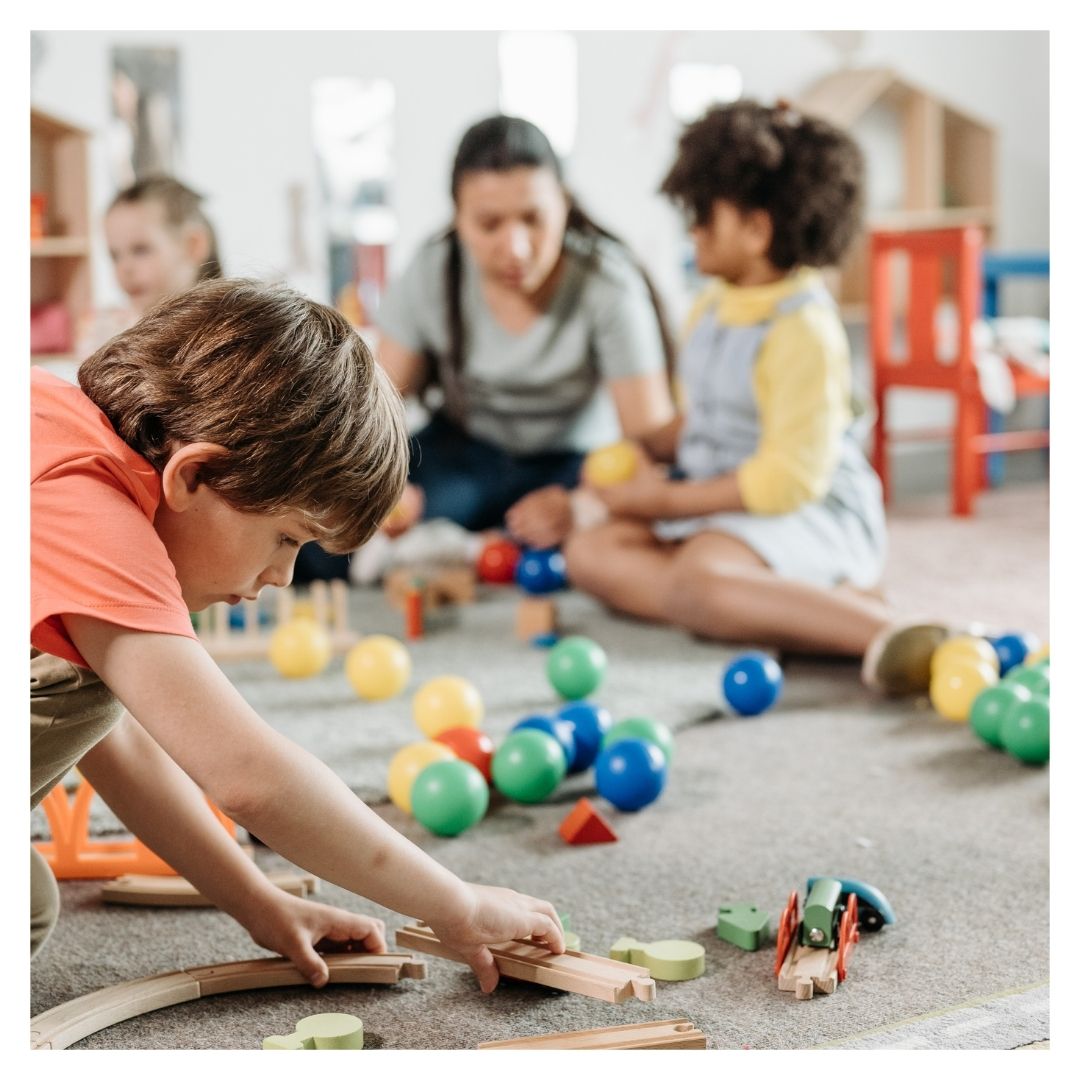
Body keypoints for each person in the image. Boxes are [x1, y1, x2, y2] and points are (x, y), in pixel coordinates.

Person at [31, 278, 564, 988]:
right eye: (286, 538)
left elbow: (115, 739)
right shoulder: (91, 516)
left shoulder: (49, 421)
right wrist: (453, 902)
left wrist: (256, 900)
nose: (283, 575)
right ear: (193, 475)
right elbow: (249, 778)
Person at [563, 100, 947, 694]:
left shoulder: (803, 329)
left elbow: (786, 480)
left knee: (698, 579)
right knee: (589, 551)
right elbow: (713, 416)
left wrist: (662, 502)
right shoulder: (713, 304)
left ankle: (885, 629)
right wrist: (650, 448)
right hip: (726, 511)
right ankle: (791, 605)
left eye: (703, 216)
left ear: (757, 229)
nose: (691, 230)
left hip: (804, 512)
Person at [293, 114, 678, 582]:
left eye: (533, 219)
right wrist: (386, 481)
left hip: (570, 463)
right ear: (458, 218)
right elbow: (376, 405)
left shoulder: (608, 282)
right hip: (464, 453)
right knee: (323, 540)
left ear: (564, 204)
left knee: (625, 535)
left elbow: (649, 441)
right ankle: (478, 543)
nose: (515, 248)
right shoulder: (434, 271)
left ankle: (474, 544)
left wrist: (579, 504)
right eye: (489, 224)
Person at [76, 176, 223, 359]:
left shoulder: (222, 332)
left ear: (193, 246)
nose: (125, 268)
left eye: (141, 250)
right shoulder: (111, 329)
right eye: (115, 256)